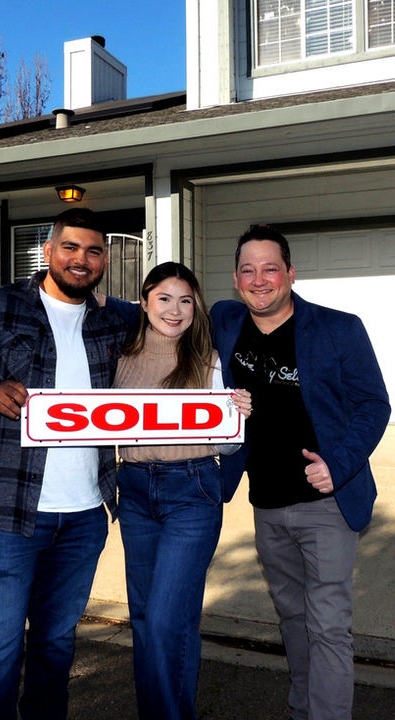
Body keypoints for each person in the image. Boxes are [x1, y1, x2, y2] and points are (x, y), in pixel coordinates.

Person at [0, 208, 137, 720]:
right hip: (5, 509)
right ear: (48, 251)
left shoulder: (113, 320)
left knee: (56, 646)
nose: (81, 260)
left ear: (104, 260)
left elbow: (173, 324)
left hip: (85, 514)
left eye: (93, 251)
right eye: (70, 248)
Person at [210, 225, 390, 720]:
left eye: (270, 268)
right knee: (293, 617)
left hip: (326, 504)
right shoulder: (224, 321)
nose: (259, 279)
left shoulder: (338, 329)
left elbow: (373, 404)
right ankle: (303, 707)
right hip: (265, 504)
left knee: (328, 624)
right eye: (248, 269)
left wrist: (341, 463)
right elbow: (164, 314)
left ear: (290, 273)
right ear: (235, 279)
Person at [112, 261, 251, 720]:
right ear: (145, 301)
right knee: (148, 621)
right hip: (133, 492)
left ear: (197, 307)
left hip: (191, 491)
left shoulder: (207, 357)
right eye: (165, 299)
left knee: (167, 622)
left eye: (185, 300)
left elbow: (226, 446)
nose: (175, 310)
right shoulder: (120, 355)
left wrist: (236, 417)